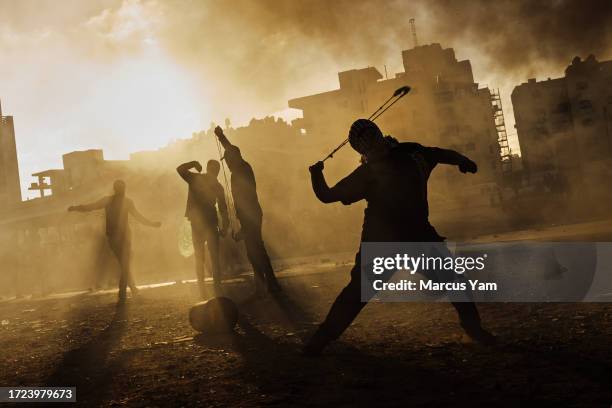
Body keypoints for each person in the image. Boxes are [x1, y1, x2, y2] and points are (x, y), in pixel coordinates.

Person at [303, 119, 495, 356]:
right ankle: (474, 329)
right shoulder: (411, 153)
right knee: (453, 281)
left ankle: (318, 342)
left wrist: (315, 174)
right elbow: (441, 154)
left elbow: (327, 195)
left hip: (388, 241)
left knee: (357, 293)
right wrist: (462, 161)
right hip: (408, 238)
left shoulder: (373, 170)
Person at [214, 126, 281, 296]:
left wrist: (244, 226)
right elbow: (231, 149)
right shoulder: (241, 168)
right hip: (250, 215)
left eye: (228, 160)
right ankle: (268, 283)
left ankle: (267, 284)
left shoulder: (242, 169)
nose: (227, 163)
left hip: (250, 215)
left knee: (255, 250)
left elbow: (245, 199)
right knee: (254, 250)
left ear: (234, 158)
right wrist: (221, 137)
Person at [68, 180, 161, 303]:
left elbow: (91, 207)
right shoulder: (122, 201)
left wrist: (152, 224)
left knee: (125, 265)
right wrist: (152, 224)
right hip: (118, 237)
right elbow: (92, 207)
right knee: (125, 264)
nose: (122, 191)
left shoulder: (118, 201)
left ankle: (130, 292)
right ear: (119, 189)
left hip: (118, 237)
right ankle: (127, 293)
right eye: (121, 188)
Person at [177, 159, 229, 296]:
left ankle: (203, 290)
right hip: (210, 222)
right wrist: (225, 226)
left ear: (207, 168)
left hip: (198, 223)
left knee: (200, 257)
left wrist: (193, 163)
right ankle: (217, 288)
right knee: (214, 257)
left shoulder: (196, 178)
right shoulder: (217, 186)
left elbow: (180, 169)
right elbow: (223, 208)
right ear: (217, 171)